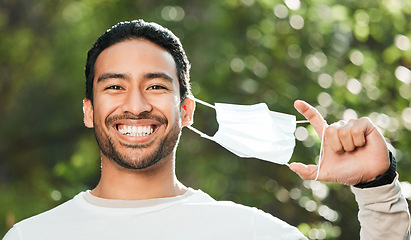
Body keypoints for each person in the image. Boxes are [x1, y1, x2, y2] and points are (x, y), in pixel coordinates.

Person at [3, 20, 410, 240]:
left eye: (156, 86)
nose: (137, 104)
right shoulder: (33, 237)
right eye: (114, 86)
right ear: (89, 111)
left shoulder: (251, 233)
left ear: (187, 110)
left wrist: (378, 192)